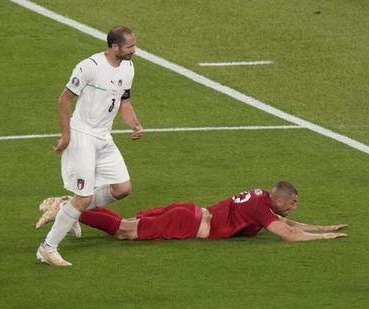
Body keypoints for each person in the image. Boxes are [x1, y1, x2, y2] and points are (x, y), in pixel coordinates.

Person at [36, 26, 144, 267]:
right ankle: (47, 248)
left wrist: (134, 124)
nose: (134, 50)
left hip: (103, 136)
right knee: (83, 199)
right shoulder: (90, 67)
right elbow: (64, 99)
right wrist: (66, 136)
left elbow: (123, 101)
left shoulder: (128, 67)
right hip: (82, 135)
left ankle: (67, 207)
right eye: (129, 47)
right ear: (114, 47)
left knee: (123, 188)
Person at [36, 182, 347, 245]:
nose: (293, 208)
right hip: (188, 221)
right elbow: (289, 235)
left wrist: (322, 226)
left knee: (127, 226)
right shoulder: (261, 208)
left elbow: (286, 223)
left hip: (189, 212)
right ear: (280, 201)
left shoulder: (261, 199)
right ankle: (68, 208)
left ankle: (72, 208)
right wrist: (329, 237)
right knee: (124, 231)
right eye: (292, 203)